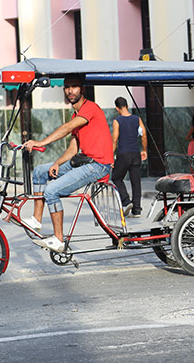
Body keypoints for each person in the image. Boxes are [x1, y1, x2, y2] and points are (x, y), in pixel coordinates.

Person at [22, 74, 114, 252]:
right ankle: (36, 219)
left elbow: (67, 128)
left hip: (98, 165)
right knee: (41, 171)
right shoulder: (76, 114)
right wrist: (56, 163)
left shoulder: (90, 108)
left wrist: (40, 143)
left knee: (52, 190)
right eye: (67, 87)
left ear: (82, 89)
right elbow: (73, 147)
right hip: (83, 161)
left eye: (74, 87)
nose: (70, 91)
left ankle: (58, 239)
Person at [112, 96, 148, 217]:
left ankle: (126, 201)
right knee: (136, 182)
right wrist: (144, 150)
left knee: (116, 178)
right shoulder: (137, 119)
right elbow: (143, 134)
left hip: (123, 154)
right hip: (135, 154)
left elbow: (115, 139)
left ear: (117, 108)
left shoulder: (117, 120)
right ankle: (137, 210)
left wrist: (111, 155)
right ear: (127, 106)